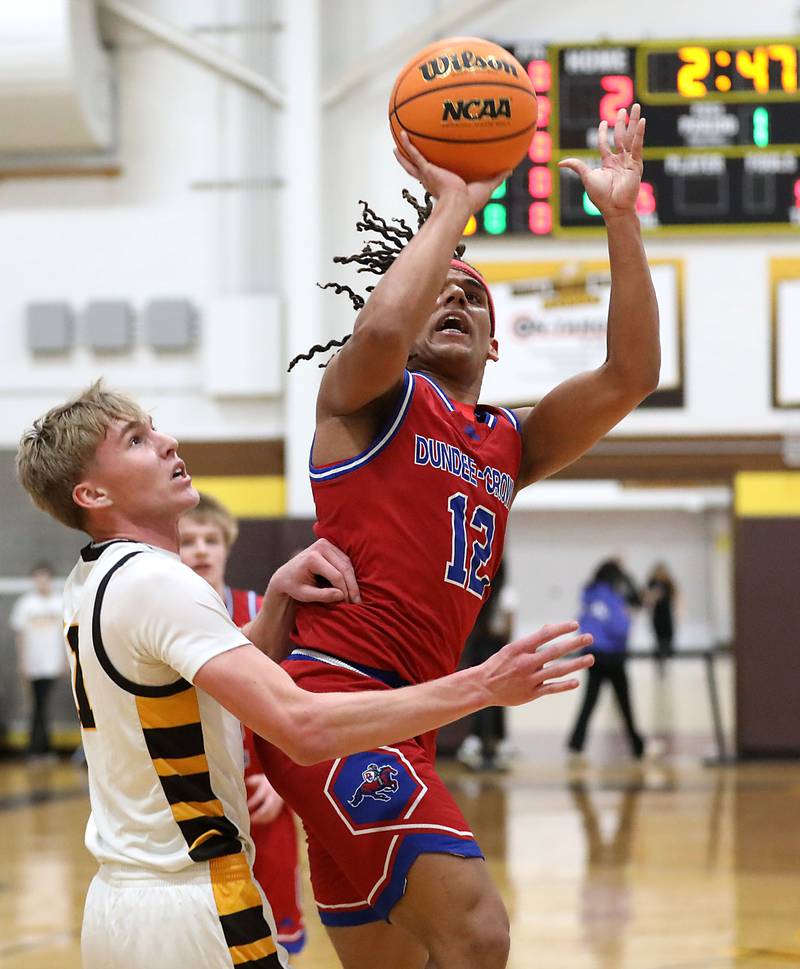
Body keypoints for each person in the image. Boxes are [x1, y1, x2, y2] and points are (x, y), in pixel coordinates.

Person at [258, 106, 659, 969]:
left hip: (413, 717)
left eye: (473, 293)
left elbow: (632, 375)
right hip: (337, 703)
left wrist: (621, 221)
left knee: (393, 962)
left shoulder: (509, 441)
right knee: (478, 932)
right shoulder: (369, 399)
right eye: (441, 283)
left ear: (496, 343)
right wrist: (453, 207)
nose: (455, 294)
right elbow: (377, 332)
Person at [15, 382, 591, 969]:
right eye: (136, 440)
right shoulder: (160, 582)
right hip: (190, 903)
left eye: (155, 427)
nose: (167, 442)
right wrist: (482, 686)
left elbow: (188, 692)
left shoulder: (93, 579)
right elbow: (303, 727)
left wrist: (274, 609)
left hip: (118, 906)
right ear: (92, 492)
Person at [178, 492, 306, 955]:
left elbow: (300, 697)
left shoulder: (262, 609)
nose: (200, 550)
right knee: (204, 931)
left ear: (227, 546)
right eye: (188, 540)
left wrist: (285, 777)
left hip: (262, 784)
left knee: (277, 924)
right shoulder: (163, 617)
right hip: (193, 790)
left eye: (211, 539)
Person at [567, 561, 645, 760]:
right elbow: (619, 627)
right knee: (624, 703)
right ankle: (637, 746)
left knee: (589, 701)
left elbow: (582, 623)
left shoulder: (589, 595)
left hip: (593, 654)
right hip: (613, 655)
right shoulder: (613, 596)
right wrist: (627, 624)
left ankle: (576, 742)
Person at [456, 560, 518, 771]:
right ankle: (493, 749)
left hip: (477, 646)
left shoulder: (478, 589)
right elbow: (509, 626)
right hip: (496, 649)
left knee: (478, 699)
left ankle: (476, 746)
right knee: (495, 701)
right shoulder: (506, 593)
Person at [9, 562, 67, 758]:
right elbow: (20, 636)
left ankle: (38, 748)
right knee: (38, 705)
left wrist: (64, 661)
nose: (41, 581)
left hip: (52, 664)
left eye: (45, 577)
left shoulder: (60, 602)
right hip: (33, 664)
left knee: (41, 704)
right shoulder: (26, 603)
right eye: (38, 577)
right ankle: (40, 748)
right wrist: (22, 662)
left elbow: (66, 635)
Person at [645, 562, 679, 666]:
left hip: (667, 614)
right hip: (657, 615)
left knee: (668, 637)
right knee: (659, 639)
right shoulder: (652, 582)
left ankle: (667, 659)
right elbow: (647, 599)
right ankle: (660, 662)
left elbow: (676, 596)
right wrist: (653, 596)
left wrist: (679, 611)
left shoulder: (668, 583)